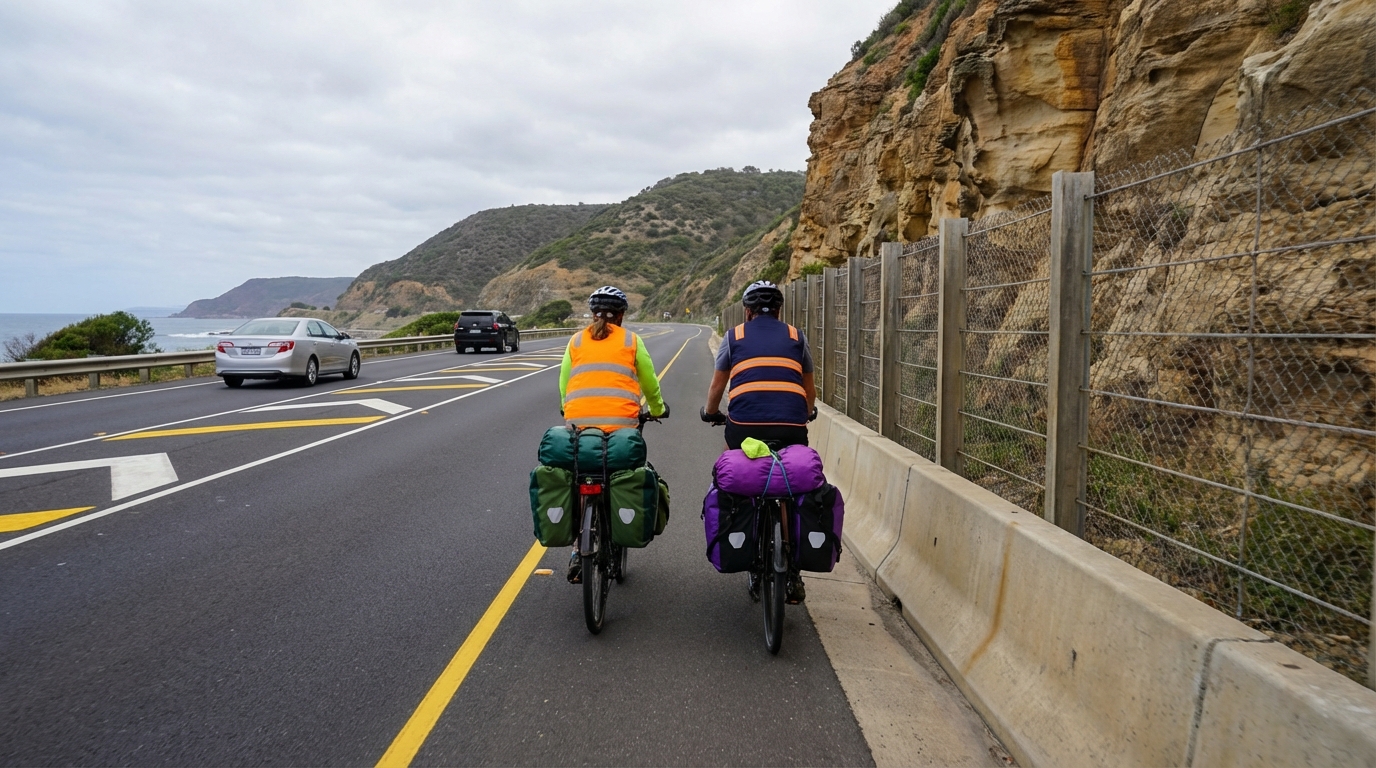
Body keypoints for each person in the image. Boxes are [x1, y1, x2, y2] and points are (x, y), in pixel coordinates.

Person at [700, 280, 817, 603]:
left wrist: (711, 413)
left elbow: (717, 384)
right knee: (794, 479)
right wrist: (805, 414)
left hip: (744, 424)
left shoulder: (734, 335)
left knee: (731, 463)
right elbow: (809, 387)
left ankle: (743, 531)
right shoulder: (796, 336)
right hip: (792, 423)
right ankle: (792, 571)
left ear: (747, 312)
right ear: (780, 311)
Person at [559, 285, 668, 582]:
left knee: (583, 476)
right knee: (622, 474)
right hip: (622, 426)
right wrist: (657, 409)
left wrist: (566, 409)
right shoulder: (632, 340)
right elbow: (649, 383)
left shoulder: (576, 340)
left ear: (593, 313)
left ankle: (576, 550)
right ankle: (620, 527)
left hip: (579, 425)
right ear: (621, 316)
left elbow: (564, 383)